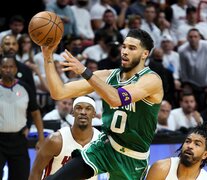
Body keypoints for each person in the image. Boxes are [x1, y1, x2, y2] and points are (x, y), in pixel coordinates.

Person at [42, 28, 164, 179]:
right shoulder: (107, 76)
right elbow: (58, 92)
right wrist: (47, 57)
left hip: (132, 158)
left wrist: (85, 71)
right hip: (105, 147)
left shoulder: (151, 80)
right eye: (124, 46)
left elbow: (116, 99)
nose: (125, 51)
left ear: (145, 54)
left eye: (132, 48)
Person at [28, 96, 102, 180]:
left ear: (94, 114)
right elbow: (36, 171)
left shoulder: (100, 141)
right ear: (73, 112)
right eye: (79, 108)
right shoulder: (55, 140)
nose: (83, 112)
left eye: (88, 109)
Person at [0, 55, 44, 180]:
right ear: (0, 69)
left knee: (21, 176)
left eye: (11, 67)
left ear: (16, 69)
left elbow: (35, 113)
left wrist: (41, 139)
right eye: (4, 67)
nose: (8, 70)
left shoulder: (25, 88)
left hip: (19, 140)